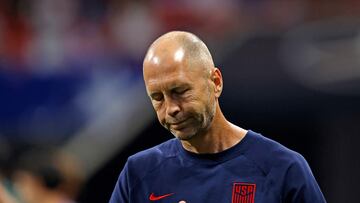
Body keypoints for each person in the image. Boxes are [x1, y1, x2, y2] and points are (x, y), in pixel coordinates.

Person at [109, 31, 326, 203]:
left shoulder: (283, 168)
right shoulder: (138, 174)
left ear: (216, 82)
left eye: (180, 91)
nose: (171, 108)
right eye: (158, 98)